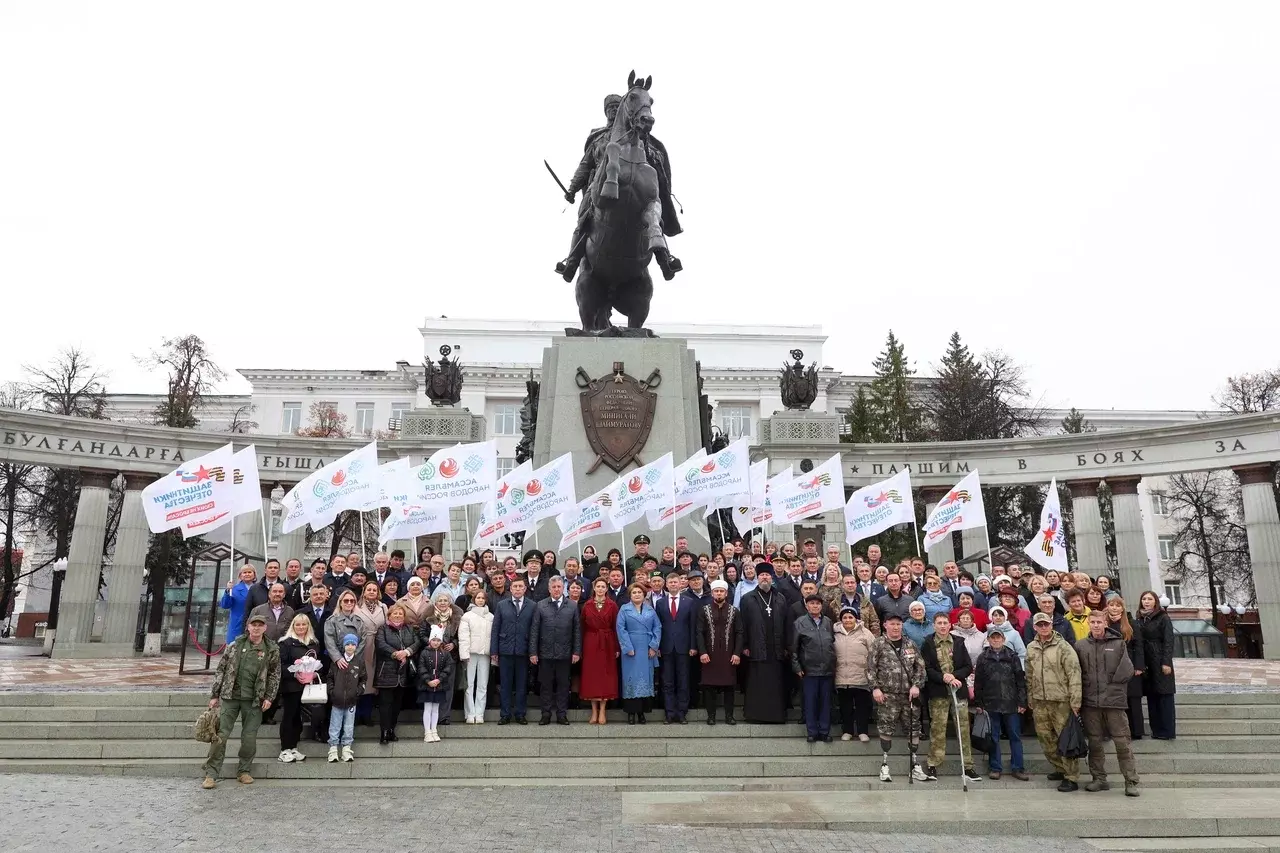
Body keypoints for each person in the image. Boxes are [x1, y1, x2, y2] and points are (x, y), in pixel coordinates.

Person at [200, 612, 280, 789]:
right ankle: (211, 773)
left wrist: (269, 697)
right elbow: (221, 669)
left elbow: (274, 675)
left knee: (249, 738)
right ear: (248, 627)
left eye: (260, 625)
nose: (257, 628)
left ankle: (244, 771)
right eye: (254, 625)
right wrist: (215, 695)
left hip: (254, 700)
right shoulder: (235, 646)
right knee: (221, 735)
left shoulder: (271, 649)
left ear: (265, 628)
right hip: (231, 697)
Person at [1077, 611, 1140, 796]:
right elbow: (1076, 673)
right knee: (1095, 743)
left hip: (1114, 702)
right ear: (1089, 623)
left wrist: (1112, 687)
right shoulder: (1080, 646)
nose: (1096, 625)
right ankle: (1099, 779)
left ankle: (1131, 781)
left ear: (1105, 623)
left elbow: (1127, 669)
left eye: (1099, 622)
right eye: (1093, 622)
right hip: (1090, 703)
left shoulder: (1118, 644)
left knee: (1122, 743)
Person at [1025, 612, 1083, 792]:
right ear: (1035, 627)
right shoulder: (1031, 647)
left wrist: (1075, 700)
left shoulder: (1063, 646)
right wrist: (1030, 696)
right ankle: (1059, 768)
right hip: (1040, 700)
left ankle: (1071, 776)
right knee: (1045, 739)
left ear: (1051, 625)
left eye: (1046, 624)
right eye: (1040, 625)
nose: (1043, 627)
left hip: (1061, 700)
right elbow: (1029, 674)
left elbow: (1074, 673)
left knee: (1065, 739)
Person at [867, 612, 927, 783]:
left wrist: (916, 685)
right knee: (886, 728)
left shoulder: (910, 644)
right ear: (885, 625)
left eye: (898, 624)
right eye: (892, 624)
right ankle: (885, 765)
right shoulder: (878, 644)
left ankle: (914, 765)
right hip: (887, 695)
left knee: (914, 728)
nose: (895, 627)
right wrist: (875, 688)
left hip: (909, 695)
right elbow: (870, 668)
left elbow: (920, 667)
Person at [920, 613, 980, 783]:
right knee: (938, 729)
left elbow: (968, 666)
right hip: (938, 692)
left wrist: (954, 676)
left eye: (945, 623)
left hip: (957, 691)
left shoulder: (959, 642)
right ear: (934, 626)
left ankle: (967, 766)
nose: (942, 626)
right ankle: (933, 764)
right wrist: (942, 677)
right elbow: (926, 667)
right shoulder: (928, 643)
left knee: (963, 729)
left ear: (950, 625)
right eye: (939, 623)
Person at [974, 625, 1029, 780]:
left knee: (1015, 737)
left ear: (1003, 639)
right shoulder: (983, 658)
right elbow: (978, 682)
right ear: (989, 639)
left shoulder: (1013, 656)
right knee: (994, 737)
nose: (996, 640)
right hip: (991, 703)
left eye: (999, 637)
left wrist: (1022, 702)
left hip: (1011, 703)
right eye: (993, 637)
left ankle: (1018, 767)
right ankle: (995, 767)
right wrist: (979, 703)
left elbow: (1020, 681)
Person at [738, 568, 789, 724]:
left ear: (771, 578)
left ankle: (776, 716)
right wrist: (744, 644)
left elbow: (786, 623)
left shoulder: (780, 597)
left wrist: (786, 645)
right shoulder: (747, 598)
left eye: (767, 575)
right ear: (757, 578)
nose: (764, 578)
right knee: (757, 683)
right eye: (762, 575)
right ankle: (756, 715)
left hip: (776, 647)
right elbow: (742, 624)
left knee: (775, 683)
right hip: (756, 646)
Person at [530, 575, 581, 725]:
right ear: (549, 589)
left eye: (559, 587)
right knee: (545, 685)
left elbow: (577, 631)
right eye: (554, 587)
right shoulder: (540, 605)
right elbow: (534, 630)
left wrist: (576, 651)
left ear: (563, 588)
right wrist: (533, 652)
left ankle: (561, 714)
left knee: (563, 685)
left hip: (565, 653)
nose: (557, 589)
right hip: (545, 653)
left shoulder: (572, 605)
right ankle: (545, 714)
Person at [696, 579, 743, 725]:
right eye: (716, 591)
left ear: (726, 593)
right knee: (709, 686)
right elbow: (699, 633)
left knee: (729, 686)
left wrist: (737, 653)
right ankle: (711, 716)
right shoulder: (704, 610)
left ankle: (729, 716)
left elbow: (740, 633)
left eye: (721, 591)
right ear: (712, 593)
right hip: (709, 655)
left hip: (729, 654)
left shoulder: (734, 611)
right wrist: (702, 652)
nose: (719, 593)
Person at [792, 594, 836, 743]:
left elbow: (832, 643)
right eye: (812, 603)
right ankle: (812, 731)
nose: (815, 606)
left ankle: (824, 731)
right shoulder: (800, 622)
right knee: (810, 702)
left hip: (827, 669)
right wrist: (797, 666)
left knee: (825, 702)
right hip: (809, 670)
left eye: (818, 603)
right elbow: (794, 648)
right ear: (806, 606)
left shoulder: (828, 622)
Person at [491, 576, 535, 725]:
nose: (517, 589)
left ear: (525, 589)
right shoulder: (502, 605)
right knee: (505, 684)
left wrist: (532, 651)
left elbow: (534, 630)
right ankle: (505, 714)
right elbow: (495, 628)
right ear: (510, 588)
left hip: (523, 650)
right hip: (505, 650)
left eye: (520, 587)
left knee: (522, 685)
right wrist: (494, 651)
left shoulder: (532, 605)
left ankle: (520, 714)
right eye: (515, 586)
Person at [276, 613, 319, 764]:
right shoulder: (286, 643)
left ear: (308, 626)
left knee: (298, 719)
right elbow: (279, 666)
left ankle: (293, 746)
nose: (301, 627)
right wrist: (294, 674)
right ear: (293, 626)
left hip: (307, 687)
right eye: (298, 624)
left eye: (304, 624)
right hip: (291, 686)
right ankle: (284, 749)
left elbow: (318, 664)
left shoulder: (313, 643)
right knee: (289, 716)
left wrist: (314, 674)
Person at [616, 583, 661, 724]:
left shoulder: (650, 610)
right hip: (631, 649)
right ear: (630, 595)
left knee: (645, 679)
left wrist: (654, 646)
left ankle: (642, 712)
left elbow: (658, 627)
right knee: (631, 679)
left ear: (644, 595)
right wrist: (627, 647)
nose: (637, 594)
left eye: (639, 592)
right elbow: (620, 628)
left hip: (646, 649)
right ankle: (631, 712)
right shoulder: (624, 609)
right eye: (634, 592)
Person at [655, 571, 695, 724]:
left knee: (683, 681)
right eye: (670, 582)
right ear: (666, 584)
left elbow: (692, 626)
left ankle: (682, 713)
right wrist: (657, 646)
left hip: (684, 648)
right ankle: (669, 713)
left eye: (675, 582)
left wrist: (693, 646)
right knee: (667, 682)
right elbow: (657, 626)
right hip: (665, 648)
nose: (673, 585)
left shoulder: (688, 602)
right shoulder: (660, 603)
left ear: (680, 584)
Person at [1105, 595, 1147, 740]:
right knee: (1115, 700)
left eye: (1118, 605)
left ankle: (1136, 731)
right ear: (1107, 606)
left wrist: (1139, 666)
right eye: (1112, 605)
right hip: (1110, 666)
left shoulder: (1131, 624)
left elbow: (1139, 645)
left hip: (1129, 665)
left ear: (1122, 608)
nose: (1114, 608)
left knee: (1133, 699)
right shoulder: (1104, 623)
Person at [1136, 591, 1177, 740]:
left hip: (1159, 659)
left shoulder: (1163, 617)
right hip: (1146, 660)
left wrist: (1166, 662)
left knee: (1164, 695)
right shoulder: (1139, 618)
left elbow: (1169, 640)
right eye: (1144, 599)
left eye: (1149, 599)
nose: (1146, 602)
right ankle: (1156, 730)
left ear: (1155, 602)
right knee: (1152, 696)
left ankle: (1167, 730)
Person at [373, 604, 417, 744]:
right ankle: (384, 732)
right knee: (386, 704)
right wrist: (395, 654)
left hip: (403, 672)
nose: (398, 616)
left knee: (397, 704)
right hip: (386, 670)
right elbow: (380, 644)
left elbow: (417, 643)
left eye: (400, 614)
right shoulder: (383, 629)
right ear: (389, 615)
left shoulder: (409, 629)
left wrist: (407, 652)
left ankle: (392, 729)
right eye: (395, 613)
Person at [581, 577, 620, 724]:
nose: (601, 589)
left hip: (607, 643)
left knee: (605, 676)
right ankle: (593, 711)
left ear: (606, 589)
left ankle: (603, 711)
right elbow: (582, 627)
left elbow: (617, 627)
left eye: (603, 586)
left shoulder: (612, 605)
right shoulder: (587, 605)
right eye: (598, 586)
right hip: (590, 642)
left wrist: (616, 646)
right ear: (594, 588)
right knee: (592, 677)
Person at [833, 606, 874, 741]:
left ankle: (863, 731)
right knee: (845, 706)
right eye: (844, 617)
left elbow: (874, 652)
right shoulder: (835, 633)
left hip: (861, 676)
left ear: (856, 618)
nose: (848, 620)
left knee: (862, 705)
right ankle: (847, 730)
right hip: (842, 677)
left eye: (850, 617)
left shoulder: (865, 633)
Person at [422, 591, 462, 725]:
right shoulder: (428, 617)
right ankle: (433, 717)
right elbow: (421, 633)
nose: (443, 603)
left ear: (450, 602)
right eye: (440, 601)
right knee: (433, 684)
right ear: (435, 603)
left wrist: (454, 644)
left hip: (450, 656)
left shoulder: (457, 618)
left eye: (445, 600)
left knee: (448, 686)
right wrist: (432, 643)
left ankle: (444, 716)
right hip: (431, 657)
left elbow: (461, 635)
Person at [351, 581, 386, 725]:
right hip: (362, 645)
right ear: (364, 592)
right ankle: (357, 714)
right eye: (369, 589)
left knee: (373, 681)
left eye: (374, 590)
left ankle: (367, 714)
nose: (371, 592)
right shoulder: (356, 607)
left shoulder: (383, 607)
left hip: (379, 645)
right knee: (360, 679)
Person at [325, 633, 364, 763]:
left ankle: (347, 748)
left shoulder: (359, 661)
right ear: (343, 646)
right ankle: (333, 749)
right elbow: (329, 677)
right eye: (347, 644)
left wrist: (358, 691)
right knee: (335, 725)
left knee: (348, 725)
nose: (350, 647)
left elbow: (363, 678)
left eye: (353, 644)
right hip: (337, 699)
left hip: (352, 700)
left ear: (356, 646)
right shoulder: (337, 661)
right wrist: (332, 691)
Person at [457, 589, 493, 724]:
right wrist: (464, 655)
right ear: (474, 599)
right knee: (469, 684)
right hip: (470, 654)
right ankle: (470, 713)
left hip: (485, 654)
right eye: (478, 598)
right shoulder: (467, 616)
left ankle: (480, 713)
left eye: (483, 598)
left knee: (483, 685)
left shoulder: (491, 616)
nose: (480, 600)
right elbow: (463, 637)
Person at [417, 625, 454, 743]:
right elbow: (421, 668)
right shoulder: (424, 653)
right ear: (430, 641)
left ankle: (434, 730)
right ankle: (427, 731)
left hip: (440, 684)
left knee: (436, 709)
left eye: (438, 640)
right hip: (427, 685)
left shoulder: (445, 654)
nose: (436, 643)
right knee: (427, 708)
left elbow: (448, 668)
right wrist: (428, 680)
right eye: (434, 640)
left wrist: (440, 679)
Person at [219, 565, 257, 643]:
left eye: (249, 572)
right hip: (238, 625)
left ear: (254, 575)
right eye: (244, 572)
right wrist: (227, 591)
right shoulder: (234, 589)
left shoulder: (260, 589)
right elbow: (225, 605)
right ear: (240, 576)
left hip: (256, 623)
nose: (247, 574)